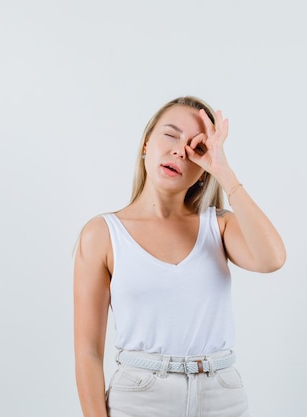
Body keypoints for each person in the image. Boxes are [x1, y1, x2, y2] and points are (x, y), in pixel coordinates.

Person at [73, 96, 286, 417]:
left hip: (221, 396)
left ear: (202, 171)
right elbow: (88, 352)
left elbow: (272, 259)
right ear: (146, 143)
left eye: (195, 148)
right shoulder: (102, 234)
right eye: (170, 135)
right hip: (140, 399)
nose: (178, 151)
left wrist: (224, 172)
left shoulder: (220, 226)